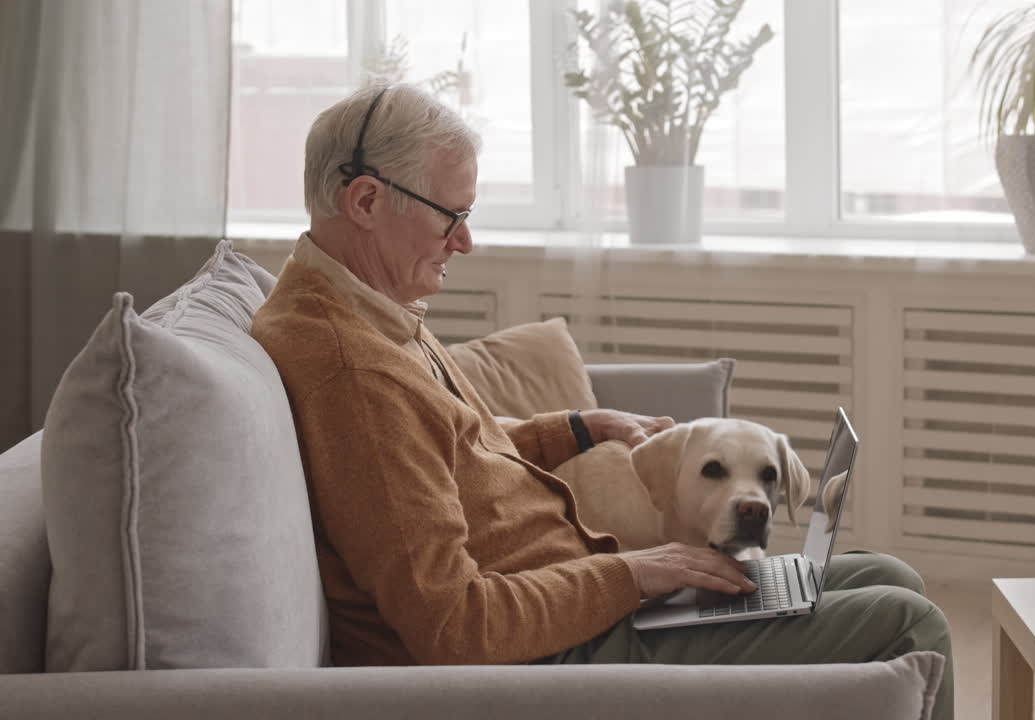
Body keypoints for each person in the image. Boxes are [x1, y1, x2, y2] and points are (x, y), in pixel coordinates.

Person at [252, 83, 953, 720]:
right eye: (450, 217)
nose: (464, 241)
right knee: (911, 624)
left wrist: (577, 428)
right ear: (366, 201)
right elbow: (457, 628)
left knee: (891, 575)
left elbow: (451, 447)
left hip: (579, 607)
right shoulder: (352, 369)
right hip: (556, 658)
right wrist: (639, 572)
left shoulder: (369, 311)